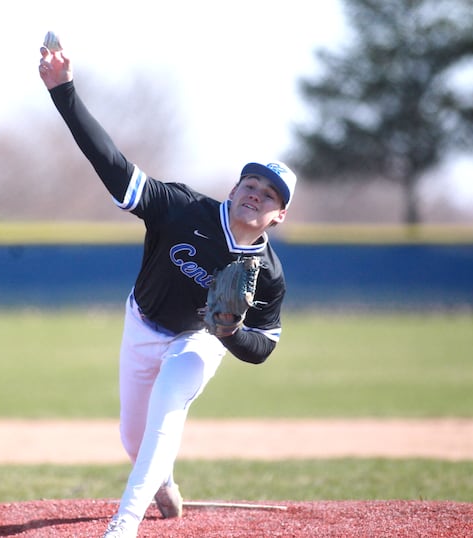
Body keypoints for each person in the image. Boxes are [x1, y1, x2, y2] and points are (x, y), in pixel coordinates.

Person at [38, 37, 297, 538]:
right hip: (143, 323)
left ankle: (123, 523)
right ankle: (163, 480)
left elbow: (262, 346)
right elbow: (112, 164)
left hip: (197, 340)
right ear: (234, 188)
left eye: (269, 196)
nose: (256, 196)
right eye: (251, 185)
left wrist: (229, 332)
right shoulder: (180, 209)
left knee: (167, 411)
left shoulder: (268, 273)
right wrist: (64, 92)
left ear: (278, 215)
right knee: (134, 439)